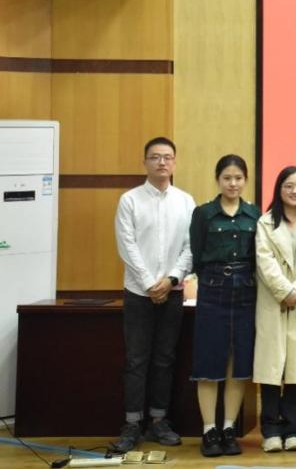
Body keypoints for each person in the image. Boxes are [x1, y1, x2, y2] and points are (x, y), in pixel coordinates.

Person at [112, 137, 196, 454]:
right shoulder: (129, 200)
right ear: (144, 161)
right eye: (155, 157)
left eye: (167, 157)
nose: (162, 162)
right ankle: (132, 423)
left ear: (175, 162)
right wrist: (150, 284)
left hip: (172, 292)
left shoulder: (185, 201)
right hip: (138, 293)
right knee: (136, 360)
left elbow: (191, 246)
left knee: (165, 359)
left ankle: (159, 420)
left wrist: (171, 279)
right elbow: (127, 246)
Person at [189, 154, 260, 457]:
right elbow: (196, 254)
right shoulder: (203, 213)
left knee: (238, 363)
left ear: (246, 180)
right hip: (212, 290)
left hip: (246, 292)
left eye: (238, 178)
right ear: (217, 180)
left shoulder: (254, 214)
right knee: (208, 361)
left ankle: (229, 428)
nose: (233, 184)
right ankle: (209, 430)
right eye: (227, 178)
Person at [254, 167, 296, 452]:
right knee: (272, 368)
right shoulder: (265, 222)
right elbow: (264, 261)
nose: (294, 191)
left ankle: (293, 428)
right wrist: (285, 291)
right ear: (279, 189)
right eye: (288, 186)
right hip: (274, 301)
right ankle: (271, 429)